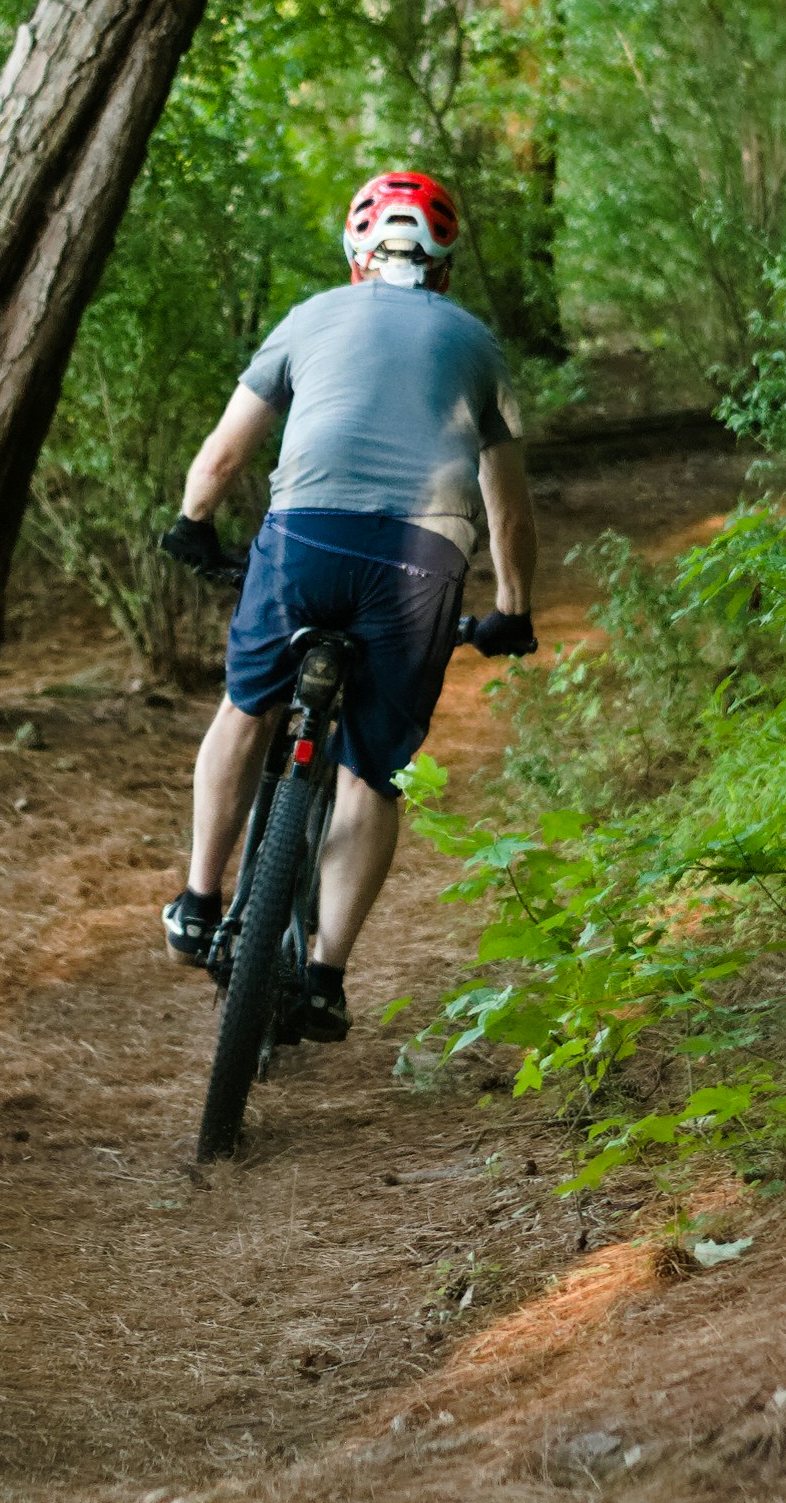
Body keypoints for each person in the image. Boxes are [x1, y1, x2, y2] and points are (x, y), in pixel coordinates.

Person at [156, 168, 538, 1038]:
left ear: (357, 257)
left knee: (246, 709)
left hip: (305, 541)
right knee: (375, 772)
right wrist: (512, 609)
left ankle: (196, 898)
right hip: (420, 558)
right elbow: (508, 508)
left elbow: (220, 458)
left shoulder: (310, 318)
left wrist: (193, 524)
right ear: (443, 267)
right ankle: (326, 976)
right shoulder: (475, 345)